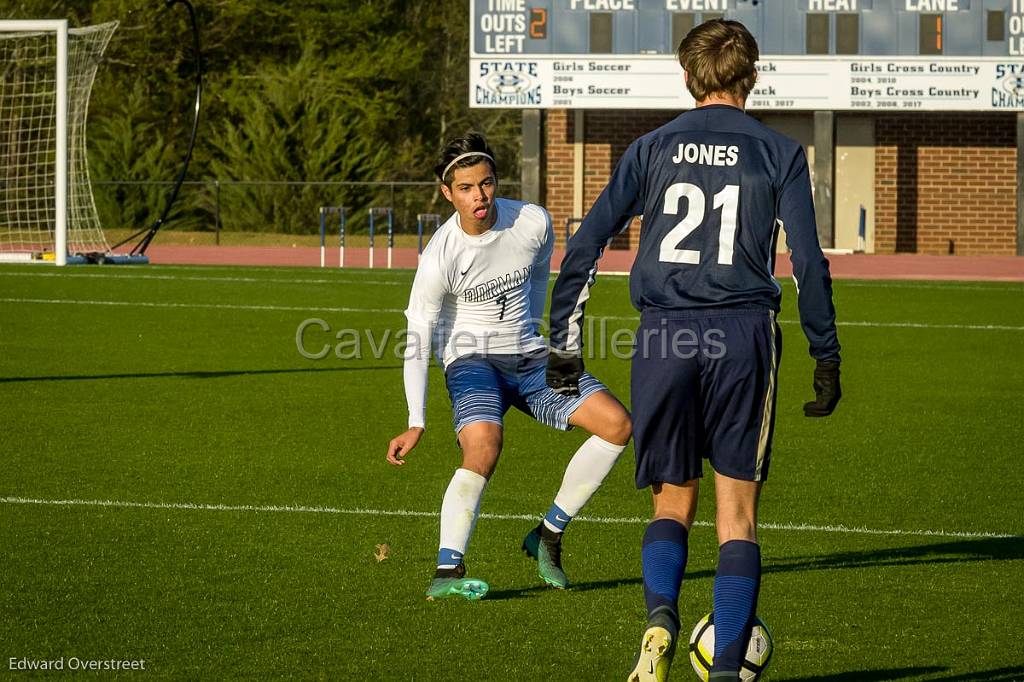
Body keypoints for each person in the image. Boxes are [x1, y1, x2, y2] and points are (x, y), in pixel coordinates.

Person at [545, 20, 842, 682]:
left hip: (665, 332)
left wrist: (565, 349)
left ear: (687, 77)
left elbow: (586, 247)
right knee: (736, 513)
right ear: (753, 77)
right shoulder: (780, 152)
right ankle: (729, 664)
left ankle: (659, 623)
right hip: (742, 334)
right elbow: (810, 265)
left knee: (671, 500)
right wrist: (826, 353)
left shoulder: (650, 147)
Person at [386, 132, 632, 601]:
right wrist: (415, 421)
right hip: (472, 361)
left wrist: (538, 332)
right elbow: (417, 339)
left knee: (617, 425)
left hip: (529, 356)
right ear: (447, 192)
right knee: (484, 445)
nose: (479, 196)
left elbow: (540, 272)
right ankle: (447, 571)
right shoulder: (439, 256)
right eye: (465, 188)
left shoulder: (533, 221)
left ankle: (548, 534)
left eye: (486, 183)